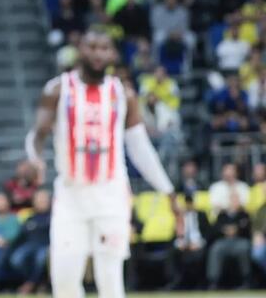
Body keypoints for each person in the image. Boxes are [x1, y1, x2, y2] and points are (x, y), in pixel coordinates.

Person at [26, 29, 177, 298]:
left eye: (104, 47)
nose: (98, 53)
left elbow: (140, 147)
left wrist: (167, 189)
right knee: (64, 281)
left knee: (110, 280)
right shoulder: (58, 89)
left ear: (113, 54)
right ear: (80, 50)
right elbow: (37, 135)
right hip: (71, 195)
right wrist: (35, 159)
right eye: (92, 47)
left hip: (111, 194)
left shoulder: (123, 93)